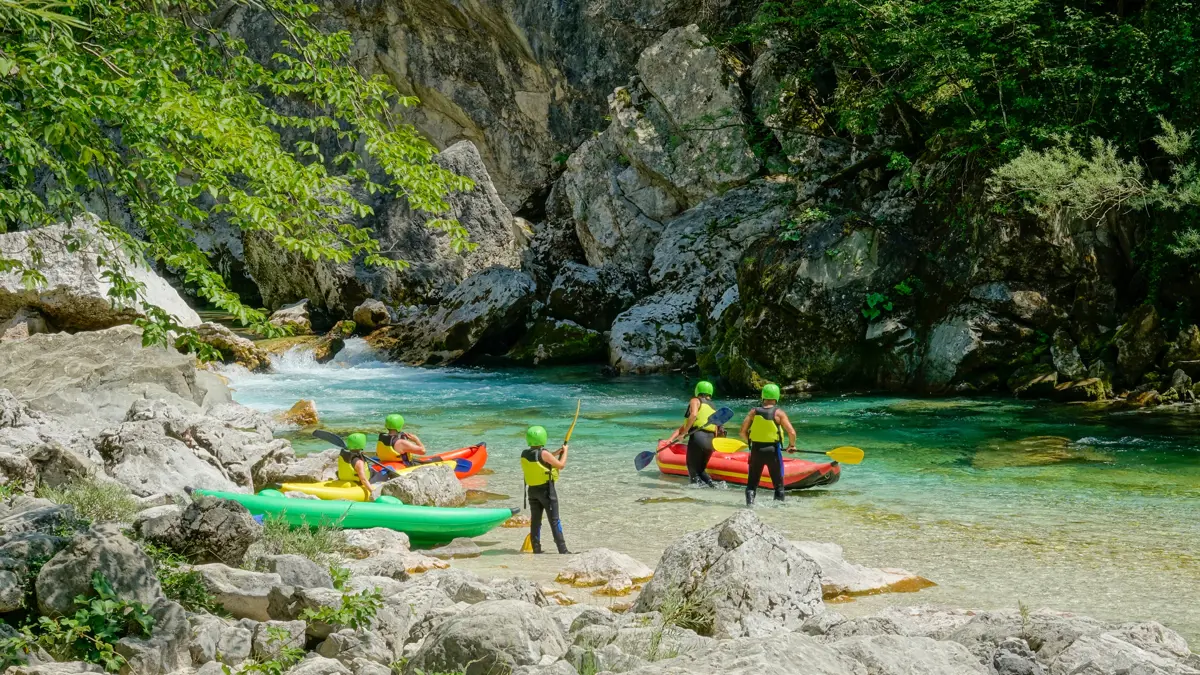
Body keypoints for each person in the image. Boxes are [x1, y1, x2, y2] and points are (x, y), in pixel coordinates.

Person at [738, 383, 797, 505]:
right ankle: (777, 511)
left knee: (752, 485)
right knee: (778, 486)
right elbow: (791, 432)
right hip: (773, 451)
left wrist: (749, 441)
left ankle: (750, 507)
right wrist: (791, 446)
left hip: (756, 450)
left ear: (763, 396)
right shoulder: (779, 413)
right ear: (777, 397)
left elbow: (742, 432)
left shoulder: (753, 412)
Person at [521, 425, 571, 554]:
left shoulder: (525, 454)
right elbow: (561, 465)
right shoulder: (544, 453)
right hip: (547, 492)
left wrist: (555, 453)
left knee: (536, 521)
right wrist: (565, 451)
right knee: (554, 520)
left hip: (532, 492)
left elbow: (543, 458)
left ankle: (536, 549)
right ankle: (563, 550)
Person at [664, 380, 721, 487]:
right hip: (711, 441)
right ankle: (714, 488)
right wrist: (671, 439)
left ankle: (695, 498)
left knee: (693, 471)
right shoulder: (713, 407)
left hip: (698, 438)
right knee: (701, 470)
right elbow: (685, 426)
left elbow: (693, 415)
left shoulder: (695, 400)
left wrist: (684, 433)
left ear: (697, 390)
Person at [337, 433, 375, 501]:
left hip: (346, 481)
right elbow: (363, 480)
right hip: (358, 483)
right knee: (386, 471)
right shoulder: (359, 462)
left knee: (373, 470)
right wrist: (373, 492)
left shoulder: (346, 455)